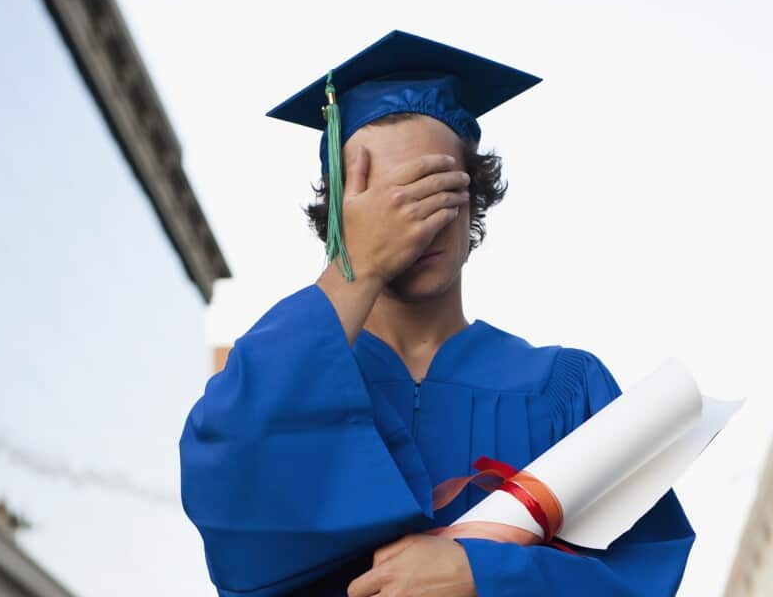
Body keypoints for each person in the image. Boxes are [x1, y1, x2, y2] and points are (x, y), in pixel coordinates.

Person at [179, 31, 695, 596]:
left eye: (440, 189)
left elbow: (642, 579)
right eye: (393, 198)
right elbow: (225, 490)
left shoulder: (562, 389)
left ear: (475, 195)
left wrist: (484, 576)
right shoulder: (285, 381)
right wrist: (356, 270)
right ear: (341, 215)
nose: (419, 219)